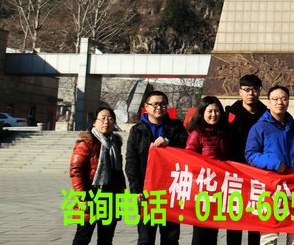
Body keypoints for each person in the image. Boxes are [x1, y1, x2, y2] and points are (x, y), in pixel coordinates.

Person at [246, 85, 294, 245]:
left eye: (283, 98)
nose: (279, 102)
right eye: (275, 99)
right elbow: (250, 154)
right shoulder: (259, 127)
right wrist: (273, 163)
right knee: (269, 236)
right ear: (268, 103)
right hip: (270, 187)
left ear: (288, 101)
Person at [126, 90, 188, 245]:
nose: (159, 107)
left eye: (162, 104)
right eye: (154, 104)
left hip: (170, 191)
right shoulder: (137, 130)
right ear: (146, 107)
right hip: (147, 192)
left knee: (171, 238)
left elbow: (186, 147)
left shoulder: (176, 127)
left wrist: (168, 141)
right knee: (145, 238)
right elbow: (131, 161)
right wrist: (136, 190)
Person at [69, 107, 126, 245]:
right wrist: (82, 197)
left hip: (111, 195)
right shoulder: (86, 143)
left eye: (110, 119)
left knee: (106, 239)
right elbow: (76, 171)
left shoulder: (115, 143)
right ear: (94, 122)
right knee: (83, 237)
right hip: (91, 195)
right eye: (103, 118)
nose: (107, 121)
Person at [226, 75, 265, 245]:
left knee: (255, 219)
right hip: (235, 173)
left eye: (255, 89)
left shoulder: (266, 114)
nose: (251, 93)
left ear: (259, 91)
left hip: (258, 173)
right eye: (247, 90)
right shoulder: (229, 115)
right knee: (234, 219)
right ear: (240, 91)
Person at [186, 96, 231, 245]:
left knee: (213, 233)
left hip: (218, 190)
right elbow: (189, 159)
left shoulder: (223, 133)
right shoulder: (196, 134)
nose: (214, 115)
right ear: (202, 113)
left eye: (217, 111)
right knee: (200, 234)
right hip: (202, 191)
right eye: (210, 111)